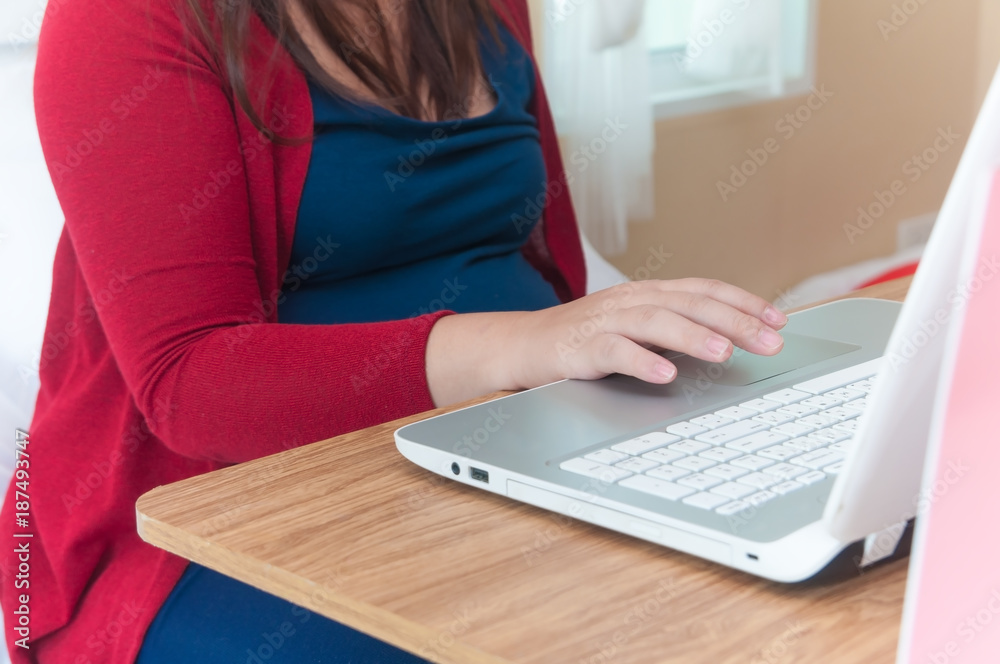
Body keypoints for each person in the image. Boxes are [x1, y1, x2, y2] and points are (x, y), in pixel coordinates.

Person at [0, 0, 789, 661]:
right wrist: (522, 346)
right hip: (209, 520)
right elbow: (190, 384)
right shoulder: (121, 20)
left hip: (494, 453)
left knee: (756, 585)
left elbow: (546, 264)